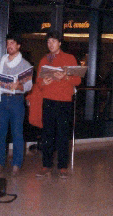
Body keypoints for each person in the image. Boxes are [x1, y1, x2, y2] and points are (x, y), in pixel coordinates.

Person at [35, 31, 80, 179]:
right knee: (47, 135)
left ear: (60, 43)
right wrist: (43, 83)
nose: (50, 44)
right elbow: (38, 83)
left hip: (64, 102)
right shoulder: (44, 60)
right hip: (48, 100)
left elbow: (78, 81)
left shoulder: (69, 58)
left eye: (53, 41)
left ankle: (62, 167)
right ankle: (46, 165)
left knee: (62, 135)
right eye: (48, 42)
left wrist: (66, 77)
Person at [0, 33, 32, 176]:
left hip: (16, 101)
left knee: (17, 133)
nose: (9, 46)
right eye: (8, 43)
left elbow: (28, 86)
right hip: (2, 100)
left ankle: (16, 164)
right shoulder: (0, 61)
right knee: (0, 133)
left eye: (13, 43)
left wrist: (19, 86)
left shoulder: (25, 64)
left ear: (18, 46)